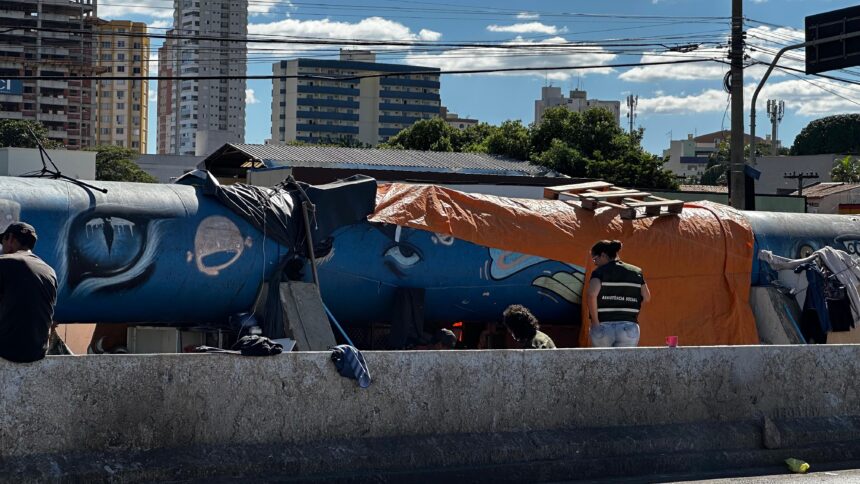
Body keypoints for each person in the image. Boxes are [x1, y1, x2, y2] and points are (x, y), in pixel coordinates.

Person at [0, 222, 58, 363]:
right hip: (38, 352)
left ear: (11, 239)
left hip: (6, 350)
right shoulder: (50, 272)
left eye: (3, 242)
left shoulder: (4, 263)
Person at [587, 240, 650, 348]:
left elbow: (592, 295)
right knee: (625, 359)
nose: (595, 263)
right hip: (629, 327)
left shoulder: (599, 272)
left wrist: (595, 322)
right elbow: (647, 297)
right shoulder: (636, 272)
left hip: (603, 325)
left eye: (595, 258)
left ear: (603, 255)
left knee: (603, 358)